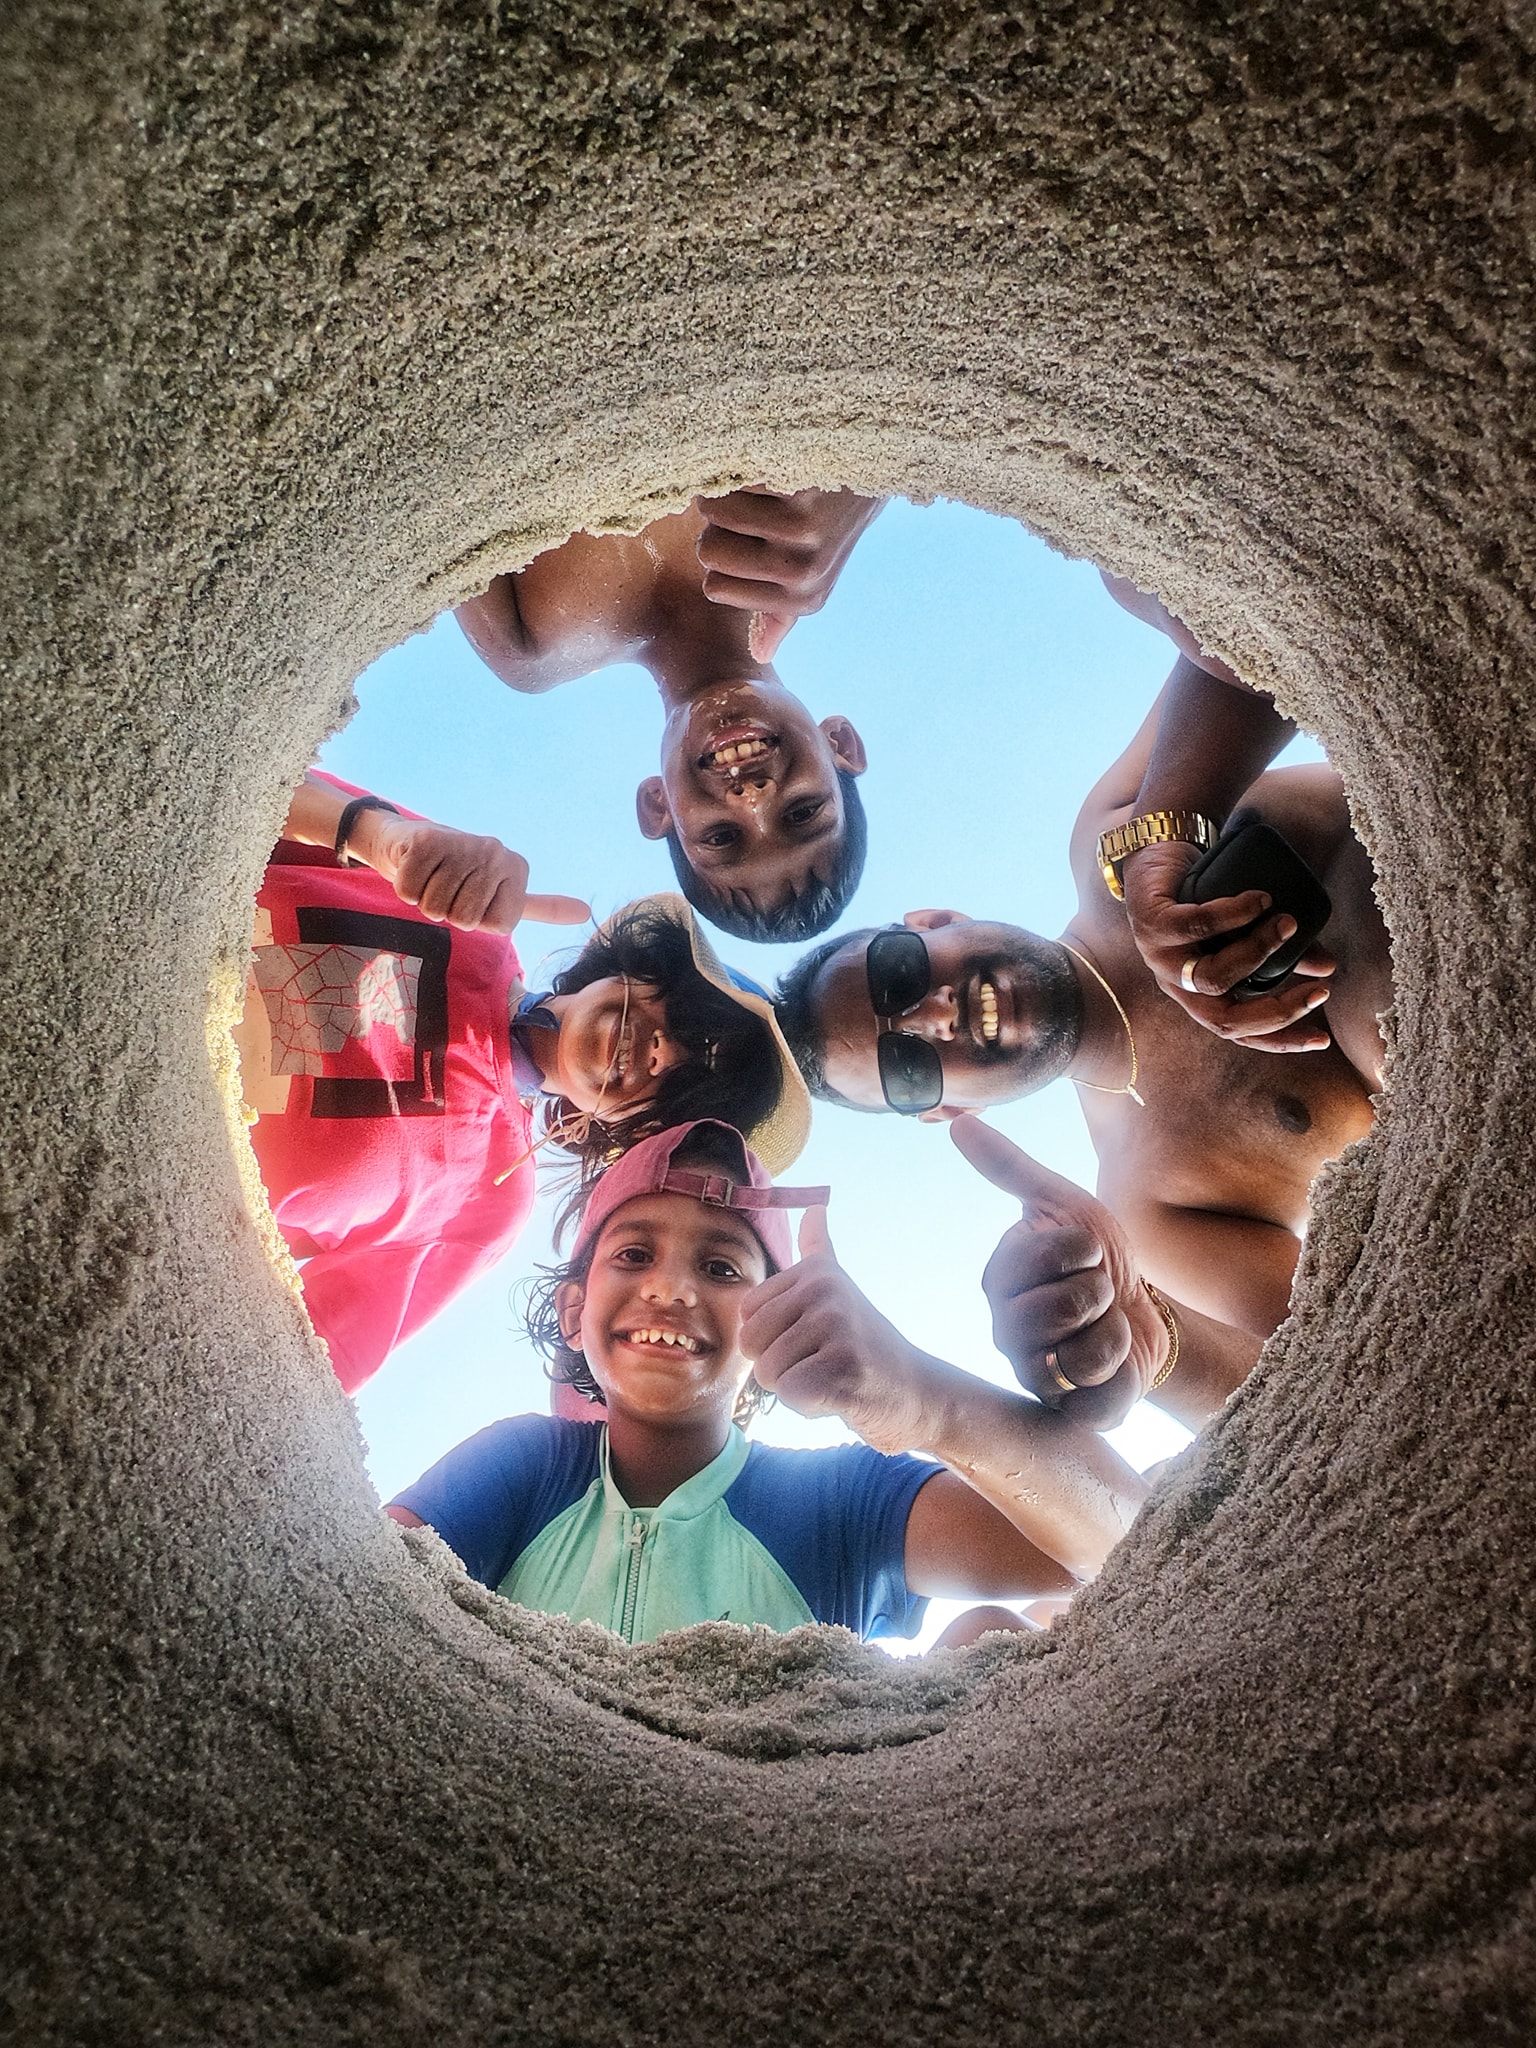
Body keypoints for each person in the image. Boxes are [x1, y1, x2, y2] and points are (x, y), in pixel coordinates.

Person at [774, 683, 1392, 1428]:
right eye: (906, 1065)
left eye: (900, 972)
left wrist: (1171, 823)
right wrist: (1154, 1357)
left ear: (937, 920)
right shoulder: (1156, 1200)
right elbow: (1354, 1355)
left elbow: (1246, 647)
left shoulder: (1113, 835)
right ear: (947, 1108)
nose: (935, 1014)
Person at [386, 1121, 1146, 1645]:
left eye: (721, 1268)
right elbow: (363, 1592)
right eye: (633, 1255)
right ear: (573, 1309)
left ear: (782, 1316)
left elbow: (1123, 1547)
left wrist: (927, 1401)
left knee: (986, 1641)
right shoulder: (526, 1466)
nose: (671, 1288)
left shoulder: (835, 1505)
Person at [236, 772, 812, 1393]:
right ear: (639, 966)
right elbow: (250, 782)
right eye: (691, 1019)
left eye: (686, 1087)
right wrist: (376, 834)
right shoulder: (466, 901)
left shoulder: (487, 1207)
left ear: (635, 1135)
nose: (662, 1051)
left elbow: (297, 1370)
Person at [455, 487, 883, 942]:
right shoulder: (805, 525)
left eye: (721, 837)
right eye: (802, 812)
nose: (752, 798)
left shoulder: (528, 647)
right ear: (840, 743)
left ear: (657, 806)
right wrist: (869, 489)